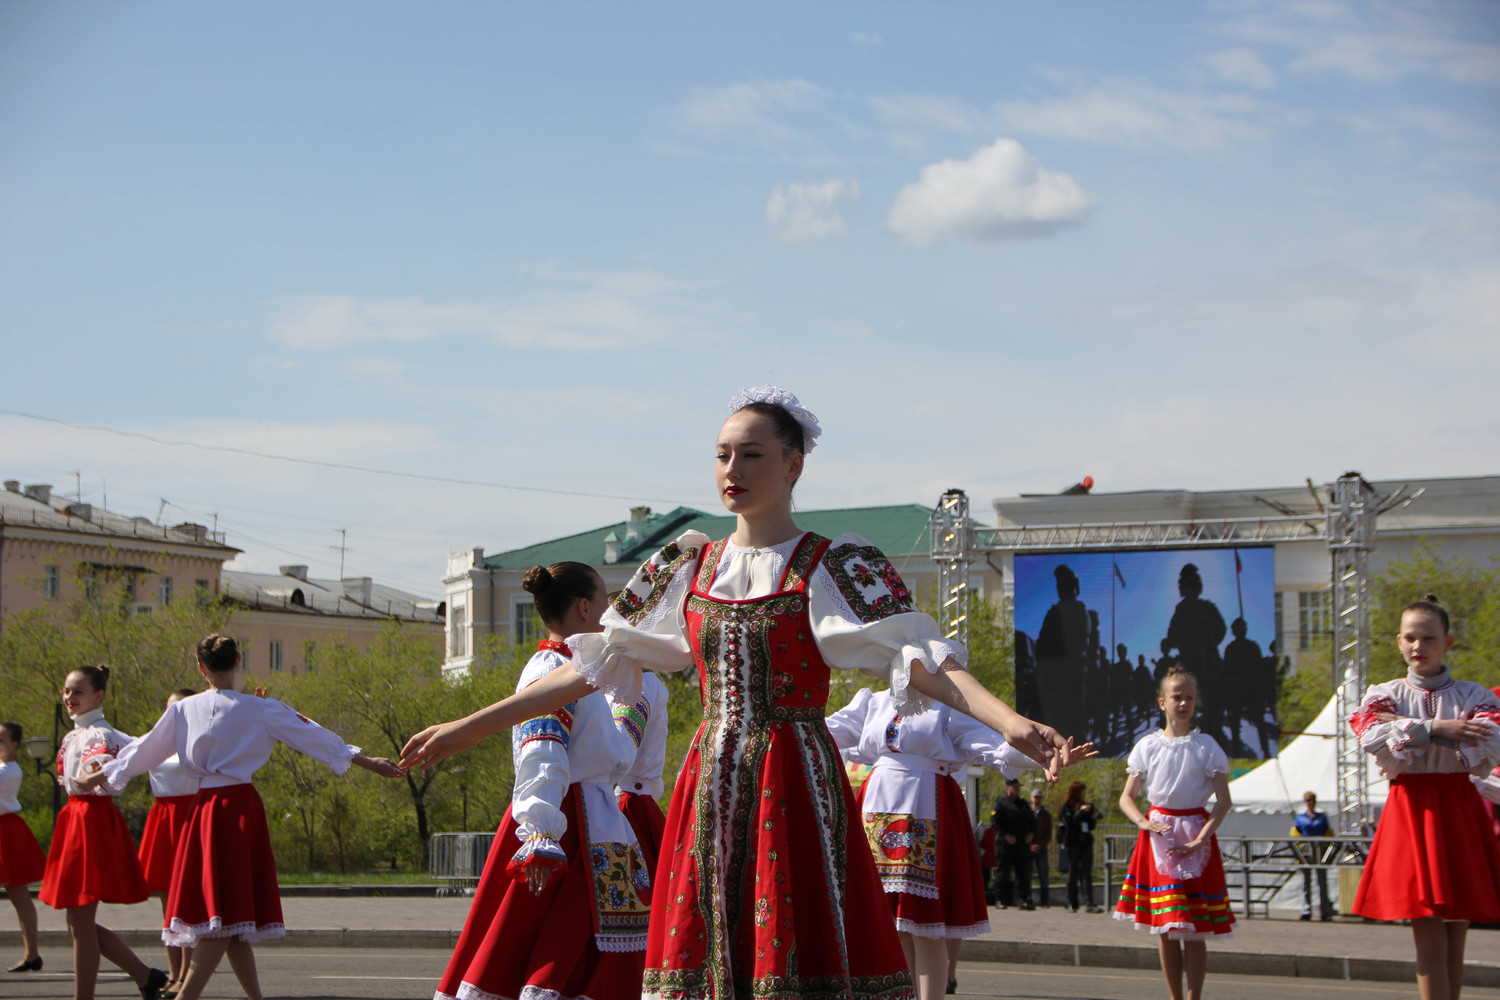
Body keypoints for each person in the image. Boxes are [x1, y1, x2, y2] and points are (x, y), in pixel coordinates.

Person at [400, 385, 1078, 1000]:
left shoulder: (831, 565)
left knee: (791, 947)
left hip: (795, 779)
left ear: (793, 466)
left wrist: (1010, 722)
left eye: (751, 454)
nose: (733, 470)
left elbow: (920, 662)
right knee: (708, 947)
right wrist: (468, 726)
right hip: (713, 775)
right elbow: (587, 669)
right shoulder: (689, 564)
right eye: (723, 454)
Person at [81, 637, 402, 1000]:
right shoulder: (261, 708)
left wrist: (103, 774)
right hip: (239, 809)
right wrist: (369, 762)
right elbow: (312, 736)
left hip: (204, 809)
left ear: (201, 668)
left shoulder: (185, 709)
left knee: (227, 918)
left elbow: (145, 749)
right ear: (238, 661)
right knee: (225, 919)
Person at [432, 562, 652, 1000]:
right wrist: (540, 831)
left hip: (595, 820)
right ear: (586, 608)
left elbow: (608, 751)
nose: (610, 611)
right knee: (553, 958)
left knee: (598, 954)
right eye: (606, 601)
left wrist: (635, 706)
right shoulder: (551, 668)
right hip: (568, 823)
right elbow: (542, 749)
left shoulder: (580, 669)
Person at [825, 686, 1067, 1000]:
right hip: (876, 806)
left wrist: (1045, 756)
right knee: (892, 922)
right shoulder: (873, 701)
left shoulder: (949, 705)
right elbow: (825, 728)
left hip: (927, 804)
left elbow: (993, 745)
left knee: (925, 925)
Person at [1347, 596, 1500, 1000]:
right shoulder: (1384, 694)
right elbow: (1370, 735)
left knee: (1455, 934)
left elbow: (1491, 741)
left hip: (1459, 806)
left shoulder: (1476, 695)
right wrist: (1442, 727)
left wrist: (1408, 727)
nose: (1419, 646)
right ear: (1398, 641)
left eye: (1429, 638)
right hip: (1412, 808)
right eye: (1411, 637)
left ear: (1448, 642)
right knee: (1428, 930)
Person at [38, 666, 168, 1000]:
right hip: (78, 819)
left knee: (80, 921)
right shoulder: (75, 735)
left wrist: (86, 777)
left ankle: (89, 996)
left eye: (77, 692)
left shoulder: (100, 733)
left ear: (99, 696)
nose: (69, 698)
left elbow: (101, 768)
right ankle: (146, 976)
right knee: (76, 922)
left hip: (90, 822)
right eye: (66, 691)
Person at [1115, 665, 1235, 1000]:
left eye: (1189, 698)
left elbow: (1224, 801)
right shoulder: (1147, 746)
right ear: (1161, 702)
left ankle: (1194, 997)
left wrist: (1201, 838)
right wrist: (1143, 821)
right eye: (1177, 697)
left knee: (1195, 927)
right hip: (1158, 838)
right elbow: (1127, 796)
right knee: (1167, 926)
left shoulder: (1206, 745)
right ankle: (1175, 997)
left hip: (1195, 835)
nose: (1184, 703)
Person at [136, 689, 201, 996]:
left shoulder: (201, 742)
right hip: (162, 819)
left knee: (186, 904)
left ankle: (188, 976)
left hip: (190, 818)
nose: (172, 714)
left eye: (179, 708)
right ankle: (174, 974)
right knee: (168, 906)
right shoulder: (153, 741)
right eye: (168, 708)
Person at [611, 670, 670, 879]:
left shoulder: (640, 683)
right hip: (628, 800)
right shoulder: (623, 682)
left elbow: (619, 753)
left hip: (633, 808)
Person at [1, 721, 46, 974]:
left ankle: (32, 954)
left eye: (2, 741)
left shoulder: (7, 771)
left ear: (14, 744)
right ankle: (32, 954)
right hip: (7, 830)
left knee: (20, 895)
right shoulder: (6, 768)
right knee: (19, 895)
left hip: (5, 831)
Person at [1057, 781, 1103, 913]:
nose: (1084, 793)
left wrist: (1093, 816)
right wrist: (1081, 813)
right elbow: (1069, 822)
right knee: (1073, 872)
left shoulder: (1087, 805)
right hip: (1072, 843)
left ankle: (1090, 902)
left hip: (1085, 842)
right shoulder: (1067, 807)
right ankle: (1072, 902)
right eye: (1082, 791)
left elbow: (1096, 817)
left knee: (1087, 873)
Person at [990, 777, 1035, 909]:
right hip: (1005, 844)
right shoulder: (1000, 803)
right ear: (1008, 787)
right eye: (1014, 787)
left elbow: (1032, 821)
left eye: (1018, 788)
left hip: (1021, 843)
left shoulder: (1023, 804)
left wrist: (1032, 834)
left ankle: (1024, 899)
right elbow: (995, 822)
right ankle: (1000, 899)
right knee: (1003, 872)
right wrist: (1005, 835)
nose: (1016, 790)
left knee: (1022, 873)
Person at [1290, 791, 1334, 922]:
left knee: (1322, 882)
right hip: (1306, 853)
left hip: (1320, 851)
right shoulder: (1300, 818)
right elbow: (1295, 835)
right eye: (1308, 800)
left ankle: (1324, 910)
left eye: (1313, 800)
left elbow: (1329, 833)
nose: (1311, 802)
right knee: (1306, 882)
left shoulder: (1322, 818)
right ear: (1305, 801)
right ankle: (1306, 909)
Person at [1028, 789, 1053, 908]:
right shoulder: (1026, 813)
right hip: (1028, 848)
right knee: (1027, 875)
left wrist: (1041, 845)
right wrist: (1029, 845)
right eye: (1035, 797)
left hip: (1041, 848)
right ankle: (1027, 899)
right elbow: (1023, 829)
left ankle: (1045, 901)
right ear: (1031, 798)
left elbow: (1048, 833)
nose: (1037, 799)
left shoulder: (1045, 815)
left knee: (1043, 875)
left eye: (1039, 797)